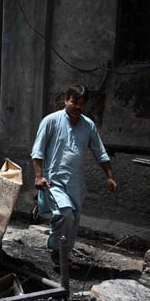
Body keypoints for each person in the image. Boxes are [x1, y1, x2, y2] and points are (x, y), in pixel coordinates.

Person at [30, 84, 117, 265]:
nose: (77, 107)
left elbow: (100, 152)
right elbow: (37, 151)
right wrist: (39, 176)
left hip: (76, 183)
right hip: (54, 180)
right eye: (74, 102)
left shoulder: (88, 125)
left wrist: (110, 176)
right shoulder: (51, 121)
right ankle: (54, 247)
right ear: (66, 100)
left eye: (82, 104)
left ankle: (63, 255)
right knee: (65, 213)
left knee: (73, 221)